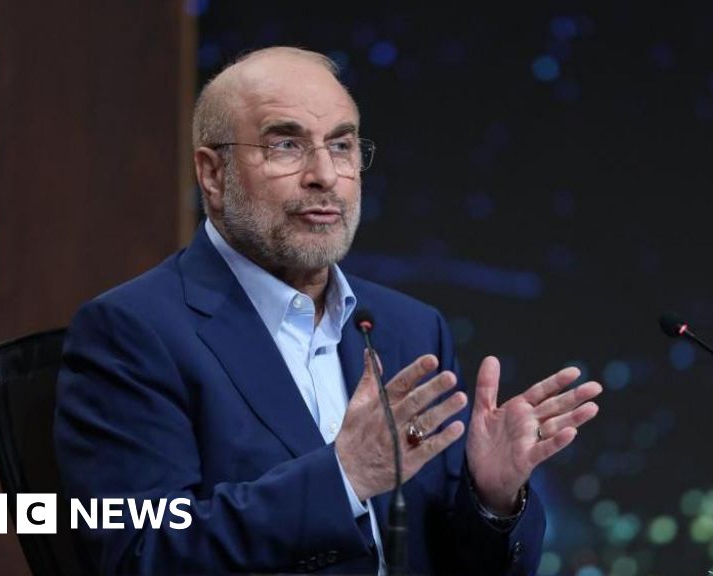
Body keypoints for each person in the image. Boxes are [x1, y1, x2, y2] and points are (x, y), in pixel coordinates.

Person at [54, 46, 603, 575]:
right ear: (213, 174)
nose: (323, 174)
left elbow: (451, 560)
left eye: (341, 145)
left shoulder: (410, 329)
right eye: (285, 145)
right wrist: (341, 478)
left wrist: (491, 499)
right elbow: (141, 553)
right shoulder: (133, 332)